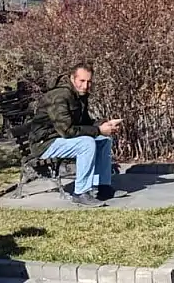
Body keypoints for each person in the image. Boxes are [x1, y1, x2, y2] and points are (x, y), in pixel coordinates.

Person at [27, 62, 122, 207]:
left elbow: (86, 123)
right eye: (82, 81)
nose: (85, 86)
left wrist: (105, 125)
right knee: (86, 143)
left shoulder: (79, 95)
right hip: (45, 143)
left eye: (89, 82)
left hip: (60, 139)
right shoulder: (59, 96)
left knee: (104, 140)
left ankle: (103, 187)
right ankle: (81, 193)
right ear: (72, 78)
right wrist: (98, 130)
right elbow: (67, 131)